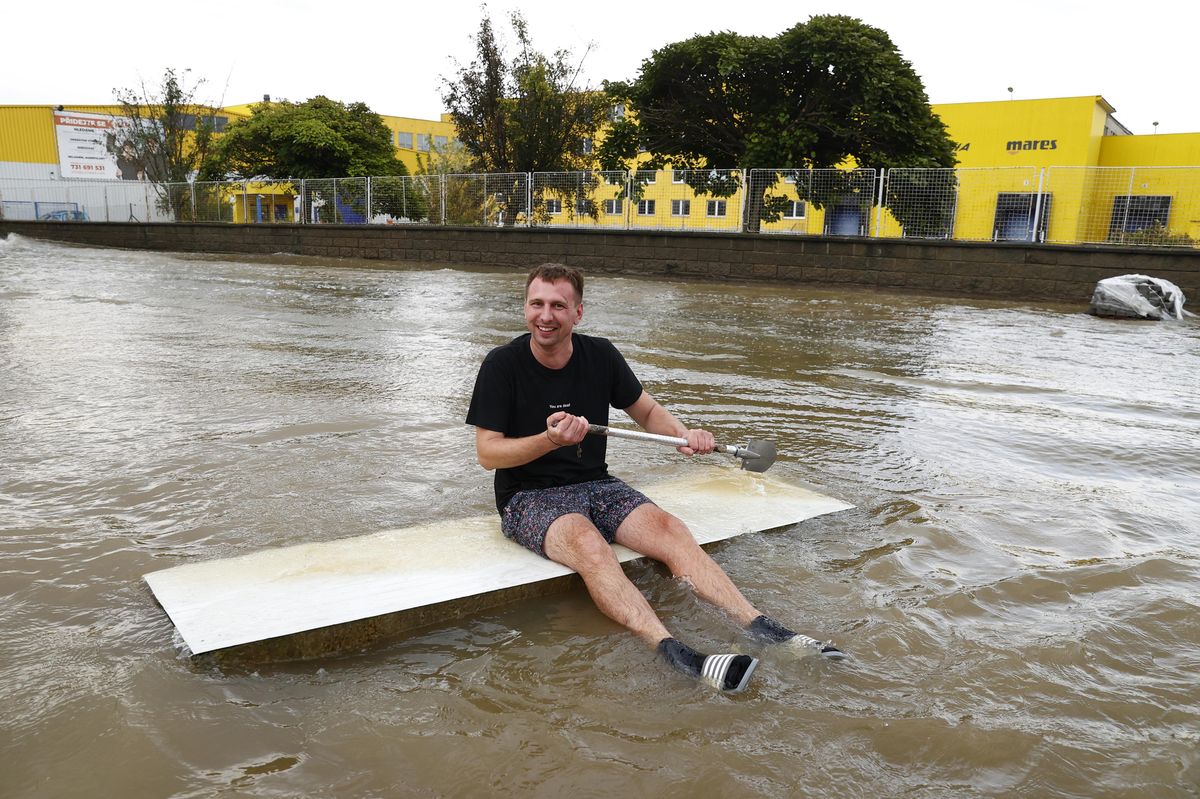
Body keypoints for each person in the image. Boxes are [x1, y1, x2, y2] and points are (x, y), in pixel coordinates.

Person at [466, 263, 842, 693]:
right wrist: (549, 441)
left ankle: (761, 627)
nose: (545, 316)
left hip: (597, 484)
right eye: (537, 304)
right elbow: (488, 453)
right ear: (525, 307)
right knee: (589, 544)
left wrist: (684, 436)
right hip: (528, 497)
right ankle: (672, 650)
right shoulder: (502, 365)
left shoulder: (601, 355)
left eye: (558, 306)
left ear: (578, 313)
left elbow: (645, 411)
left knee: (671, 529)